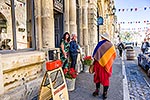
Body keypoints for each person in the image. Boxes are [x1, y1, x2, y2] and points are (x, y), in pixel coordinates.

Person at [92, 33, 117, 99]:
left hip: (98, 64)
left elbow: (95, 53)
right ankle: (104, 94)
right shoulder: (111, 45)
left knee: (97, 77)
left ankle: (97, 91)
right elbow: (114, 55)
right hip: (106, 65)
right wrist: (108, 60)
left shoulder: (100, 44)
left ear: (103, 37)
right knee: (105, 79)